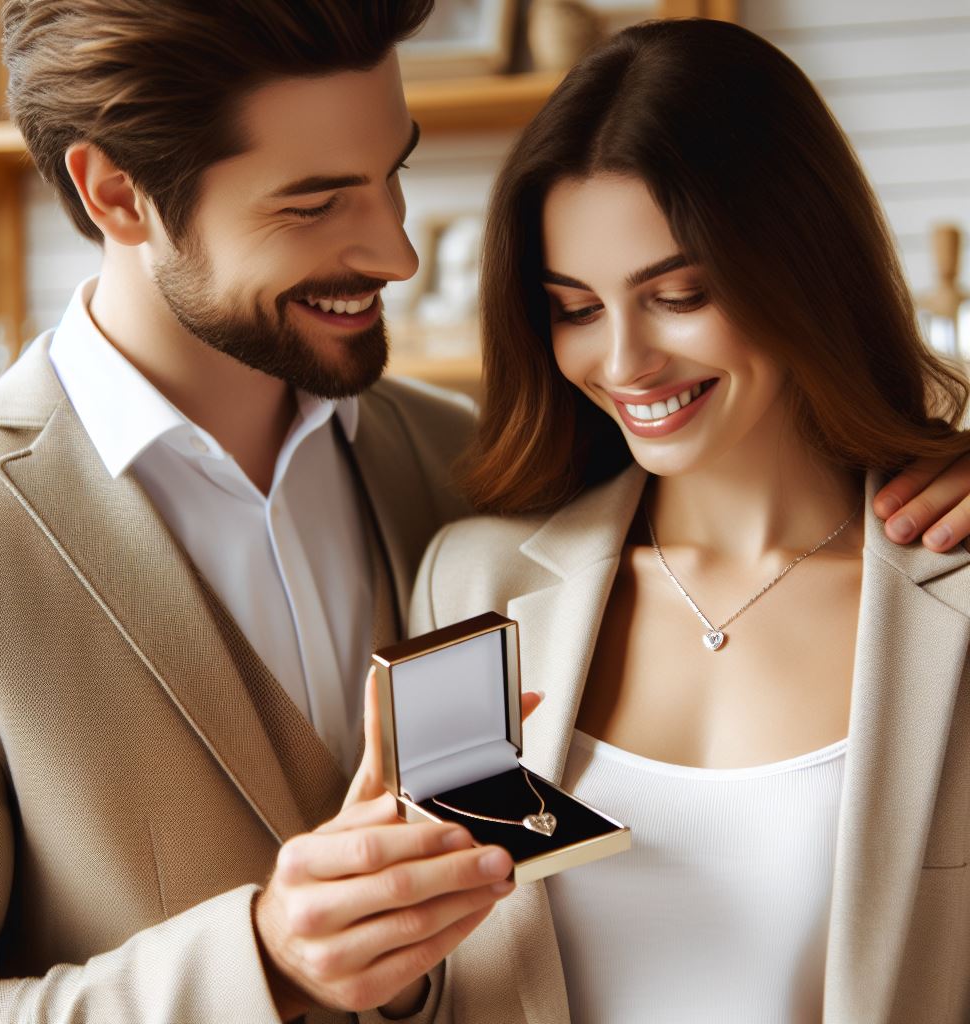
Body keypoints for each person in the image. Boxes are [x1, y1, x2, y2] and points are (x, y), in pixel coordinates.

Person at [0, 3, 524, 1021]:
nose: (397, 254)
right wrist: (259, 964)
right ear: (117, 193)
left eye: (394, 173)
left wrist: (895, 471)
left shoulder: (460, 456)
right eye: (314, 204)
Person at [410, 19, 970, 1023]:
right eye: (575, 308)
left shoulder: (953, 586)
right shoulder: (473, 589)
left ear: (803, 265)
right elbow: (433, 977)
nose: (623, 362)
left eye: (677, 295)